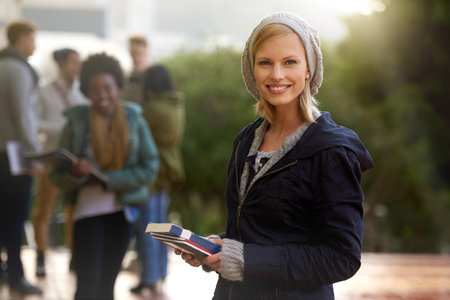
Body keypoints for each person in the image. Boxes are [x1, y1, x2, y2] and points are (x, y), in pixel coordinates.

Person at [176, 11, 374, 299]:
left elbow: (341, 257)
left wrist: (244, 260)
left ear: (309, 68)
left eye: (290, 62)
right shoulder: (245, 140)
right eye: (265, 63)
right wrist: (218, 247)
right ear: (252, 69)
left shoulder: (332, 150)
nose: (277, 75)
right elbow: (259, 233)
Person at [51, 53, 159, 300]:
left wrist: (111, 180)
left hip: (122, 212)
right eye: (95, 90)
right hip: (86, 213)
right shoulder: (77, 122)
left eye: (108, 88)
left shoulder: (135, 121)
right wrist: (76, 174)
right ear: (86, 92)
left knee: (107, 285)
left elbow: (150, 166)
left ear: (118, 87)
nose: (102, 96)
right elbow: (57, 175)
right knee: (87, 286)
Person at [32, 48, 88, 277]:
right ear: (61, 64)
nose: (76, 68)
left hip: (75, 160)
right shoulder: (44, 90)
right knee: (44, 208)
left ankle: (75, 254)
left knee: (75, 208)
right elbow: (34, 122)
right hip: (52, 157)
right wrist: (64, 129)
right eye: (73, 63)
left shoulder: (82, 93)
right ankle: (41, 254)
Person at [130, 65, 185, 295]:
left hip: (153, 170)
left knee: (149, 226)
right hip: (169, 167)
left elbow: (135, 137)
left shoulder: (152, 108)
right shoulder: (176, 104)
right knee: (161, 225)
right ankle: (160, 272)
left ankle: (150, 277)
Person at [0, 20, 43, 295]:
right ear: (22, 38)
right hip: (13, 155)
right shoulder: (17, 69)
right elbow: (23, 117)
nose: (35, 44)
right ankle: (16, 275)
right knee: (16, 218)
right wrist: (36, 155)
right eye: (32, 38)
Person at [120, 34, 149, 105]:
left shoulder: (152, 79)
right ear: (130, 53)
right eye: (134, 53)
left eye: (140, 53)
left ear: (146, 53)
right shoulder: (126, 80)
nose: (137, 57)